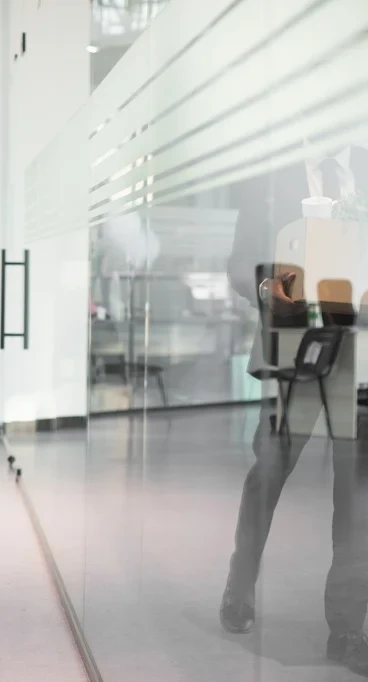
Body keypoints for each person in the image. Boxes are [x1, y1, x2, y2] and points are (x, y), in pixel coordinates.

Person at [222, 143, 368, 676]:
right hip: (293, 359)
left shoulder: (366, 168)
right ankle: (240, 586)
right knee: (269, 475)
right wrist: (267, 287)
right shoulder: (271, 174)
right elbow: (239, 264)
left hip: (361, 359)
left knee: (357, 501)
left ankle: (348, 628)